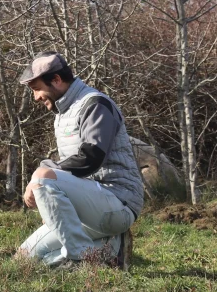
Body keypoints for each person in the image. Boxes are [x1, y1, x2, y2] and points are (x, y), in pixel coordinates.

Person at [16, 51, 143, 269]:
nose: (35, 97)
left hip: (117, 203)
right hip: (90, 206)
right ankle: (109, 251)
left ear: (56, 80)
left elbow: (91, 158)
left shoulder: (94, 104)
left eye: (37, 89)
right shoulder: (64, 112)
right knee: (24, 259)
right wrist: (43, 173)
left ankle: (82, 258)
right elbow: (70, 166)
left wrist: (41, 174)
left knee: (44, 177)